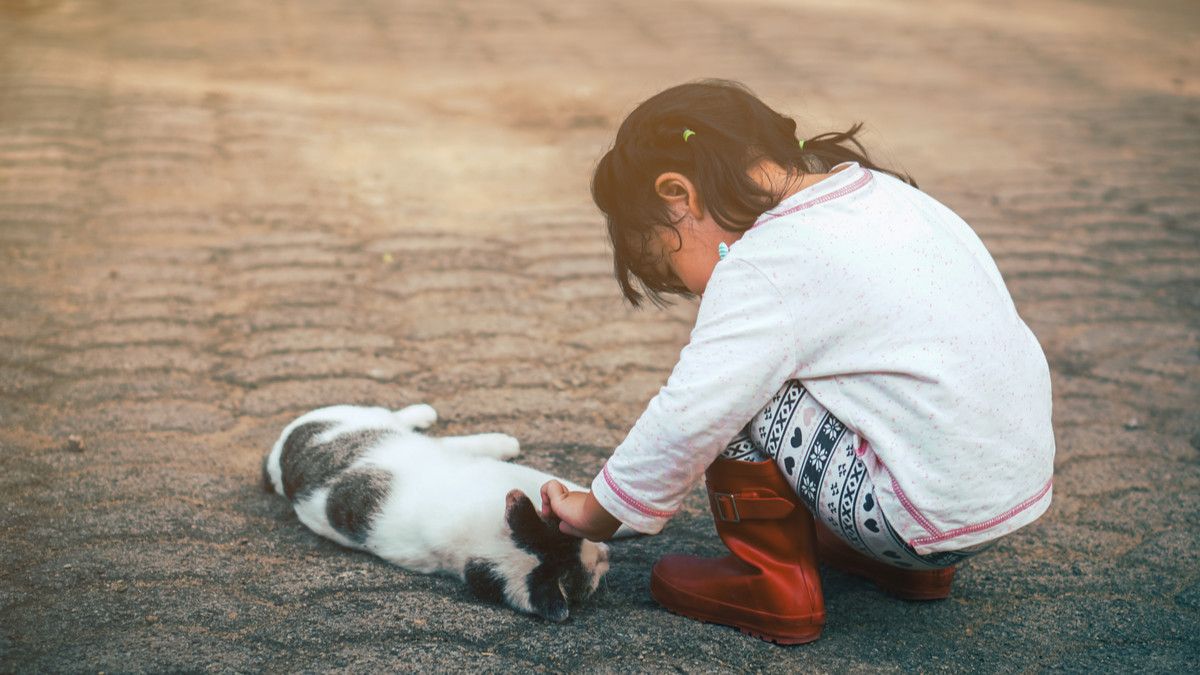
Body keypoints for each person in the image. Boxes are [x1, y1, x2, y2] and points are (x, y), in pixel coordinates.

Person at [539, 79, 1055, 644]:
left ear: (677, 195)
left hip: (916, 515)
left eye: (668, 263)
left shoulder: (764, 261)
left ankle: (772, 583)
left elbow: (690, 412)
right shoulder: (889, 195)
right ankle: (900, 568)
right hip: (1003, 493)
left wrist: (599, 510)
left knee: (736, 382)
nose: (694, 290)